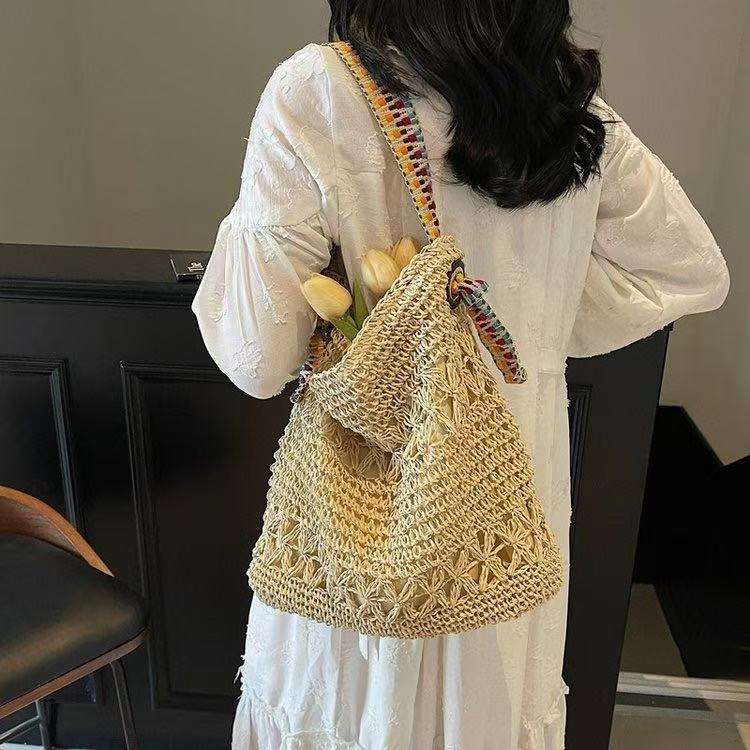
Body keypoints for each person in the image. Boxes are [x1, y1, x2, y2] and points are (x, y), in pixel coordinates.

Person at [192, 1, 729, 747]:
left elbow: (256, 356)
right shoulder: (568, 112)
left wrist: (380, 325)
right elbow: (690, 269)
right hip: (512, 487)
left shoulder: (321, 92)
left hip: (373, 477)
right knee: (489, 711)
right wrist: (529, 334)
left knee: (353, 705)